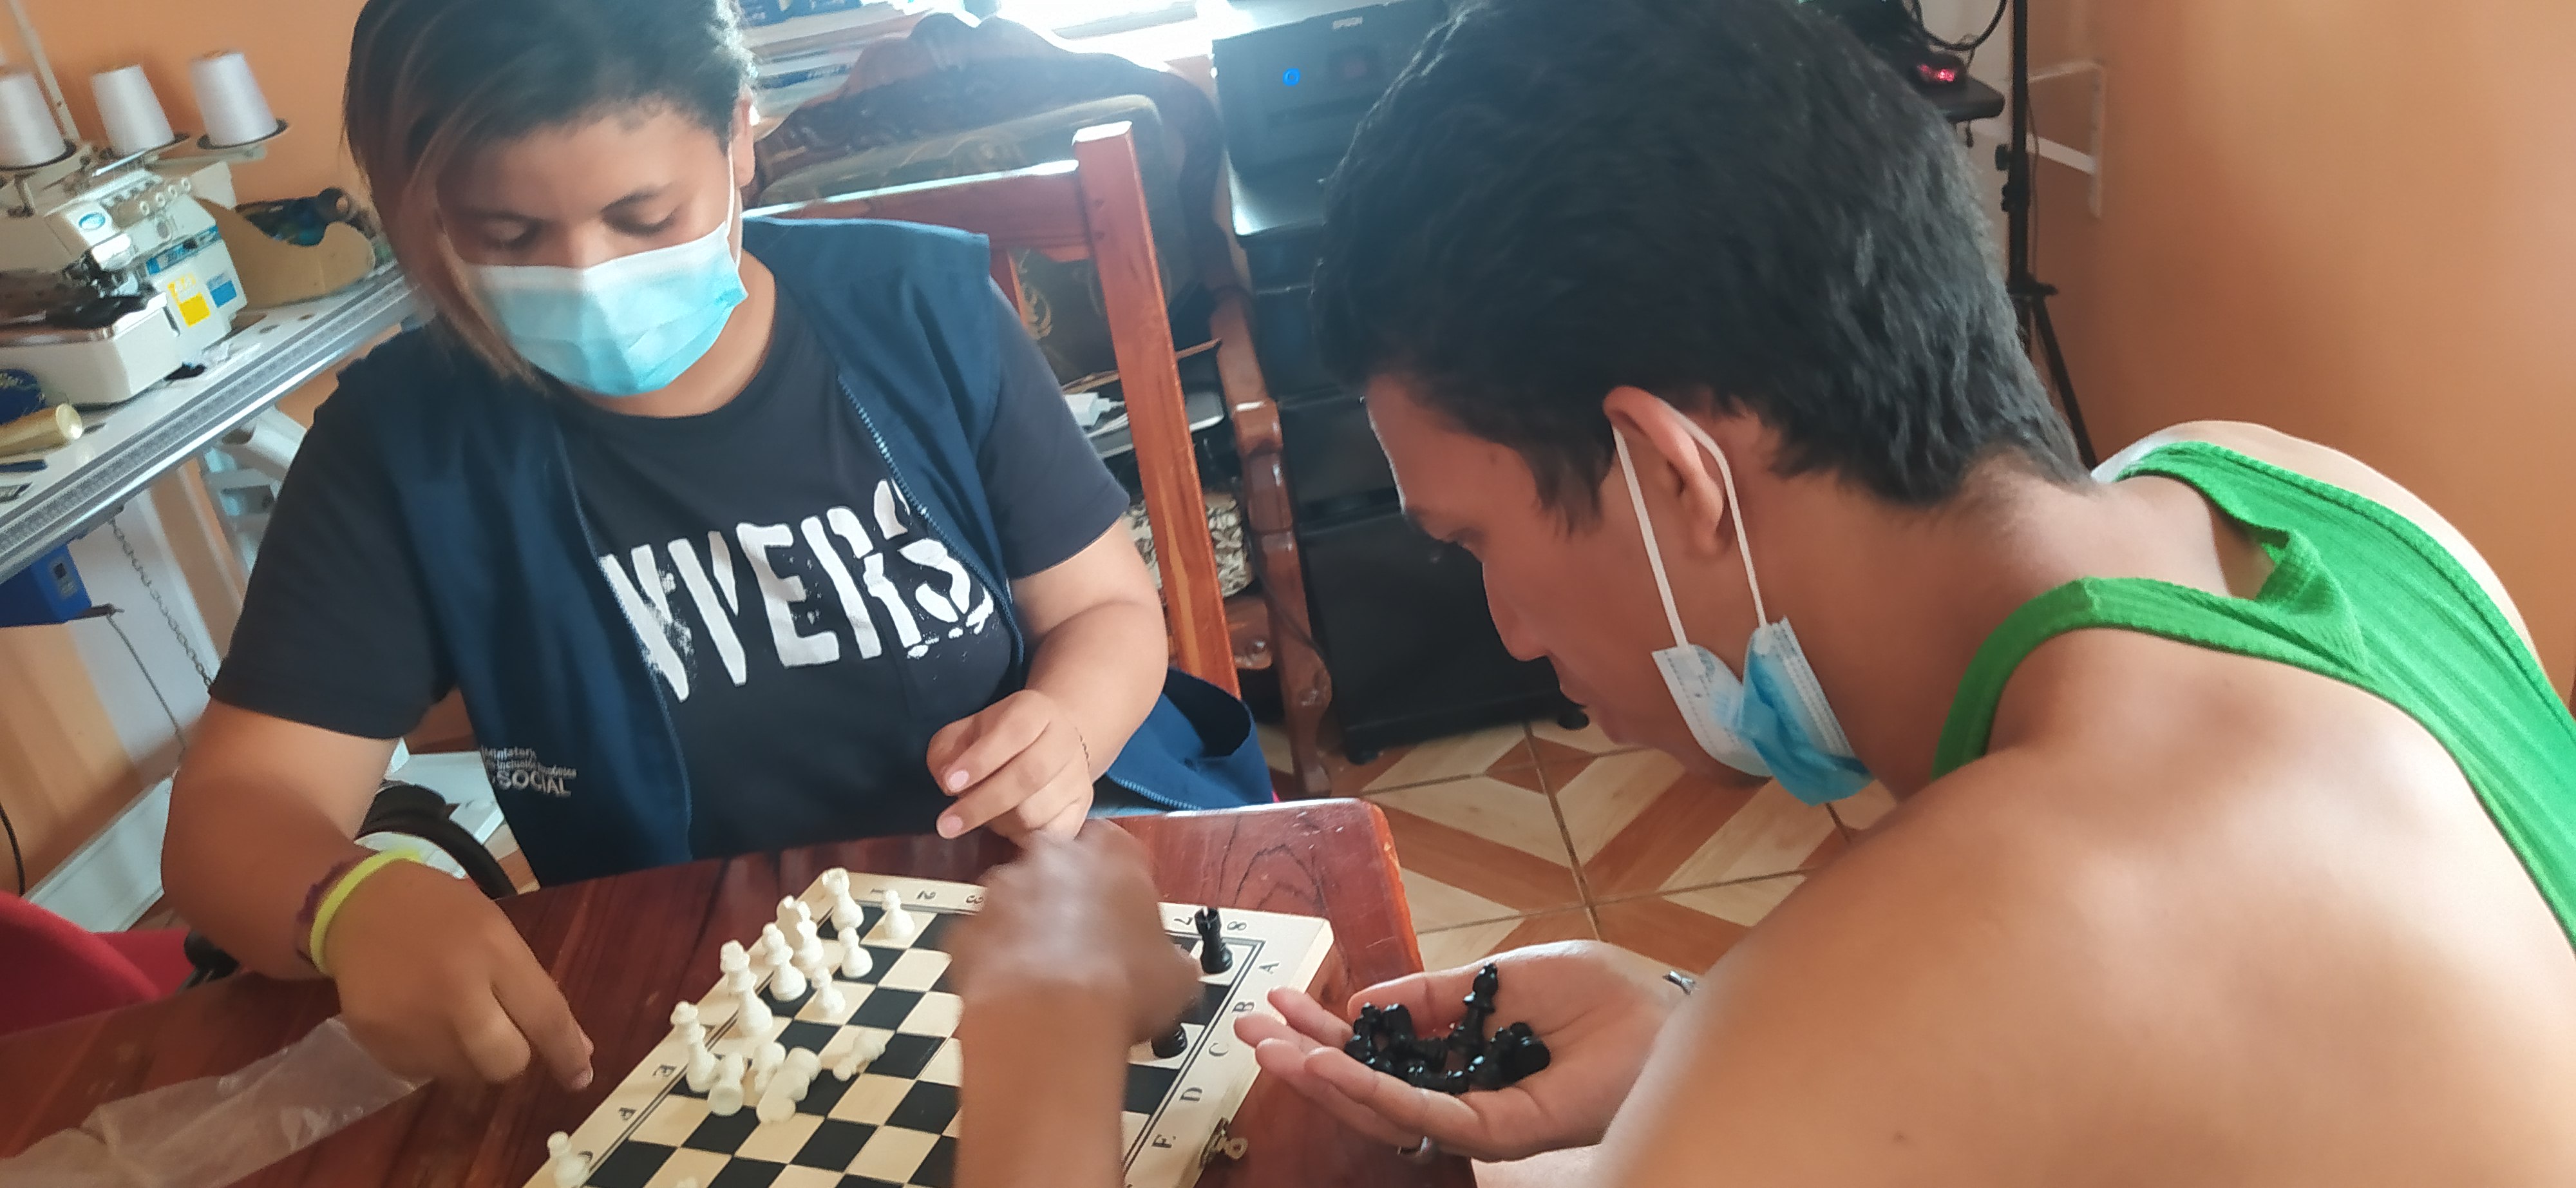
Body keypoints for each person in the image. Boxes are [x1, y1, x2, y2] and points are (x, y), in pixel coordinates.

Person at [947, 0, 2576, 1183]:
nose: (1507, 629)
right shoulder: (2281, 486)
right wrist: (1694, 1027)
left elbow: (2008, 983)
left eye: (1475, 540)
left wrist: (1040, 1098)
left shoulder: (1937, 965)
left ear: (1670, 475)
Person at [159, 0, 1268, 1091]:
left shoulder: (921, 314)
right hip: (715, 1007)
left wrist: (1066, 729)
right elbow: (233, 812)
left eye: (644, 218)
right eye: (509, 237)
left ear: (738, 133)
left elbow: (1106, 612)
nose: (589, 277)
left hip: (1029, 915)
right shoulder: (404, 446)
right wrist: (349, 906)